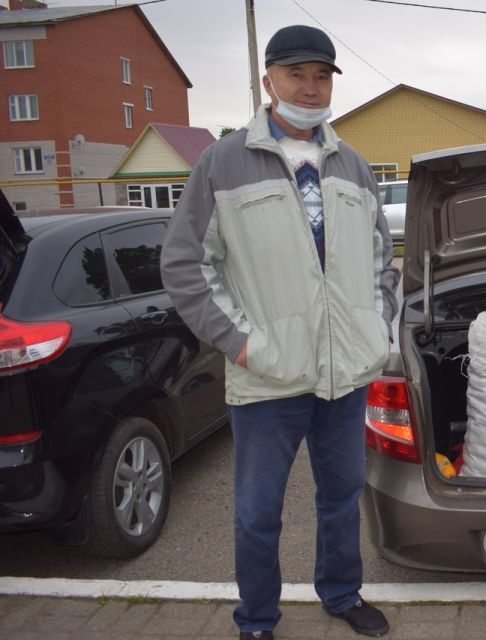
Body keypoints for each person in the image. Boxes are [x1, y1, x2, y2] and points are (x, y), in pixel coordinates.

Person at [160, 25, 399, 640]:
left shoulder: (353, 165)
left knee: (341, 500)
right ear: (268, 80)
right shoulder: (223, 161)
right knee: (258, 514)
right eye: (297, 74)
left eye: (321, 76)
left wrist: (376, 329)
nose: (311, 88)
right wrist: (239, 343)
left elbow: (380, 259)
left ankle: (342, 595)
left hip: (344, 377)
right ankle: (257, 620)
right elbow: (187, 264)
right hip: (266, 377)